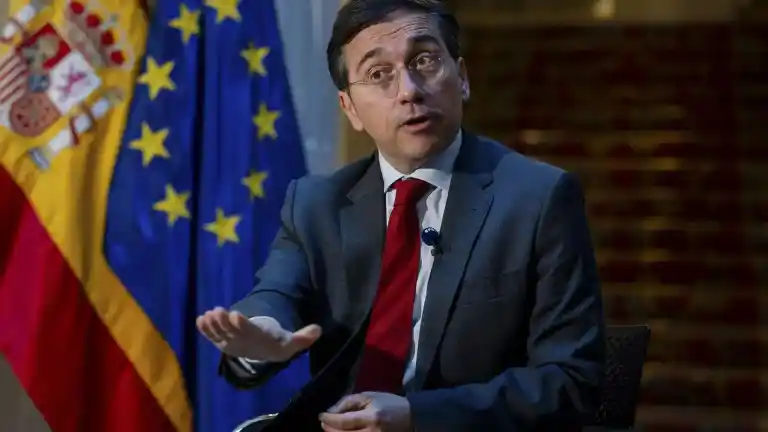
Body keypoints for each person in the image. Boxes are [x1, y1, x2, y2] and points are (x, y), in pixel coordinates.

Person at [196, 0, 606, 430]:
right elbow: (276, 294)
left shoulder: (537, 198)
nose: (409, 90)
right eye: (378, 74)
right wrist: (261, 334)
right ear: (350, 109)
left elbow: (570, 381)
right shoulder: (317, 204)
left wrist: (416, 418)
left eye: (424, 60)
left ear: (462, 78)